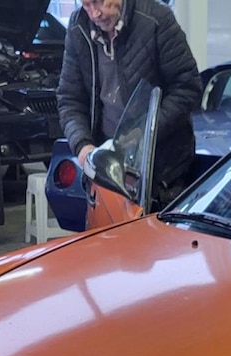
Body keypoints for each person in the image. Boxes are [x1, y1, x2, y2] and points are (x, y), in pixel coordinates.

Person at [57, 0, 202, 208]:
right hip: (107, 171)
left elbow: (187, 88)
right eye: (86, 5)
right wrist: (82, 145)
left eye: (99, 2)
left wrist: (142, 135)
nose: (95, 14)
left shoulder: (156, 19)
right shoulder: (77, 27)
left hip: (162, 170)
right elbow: (69, 99)